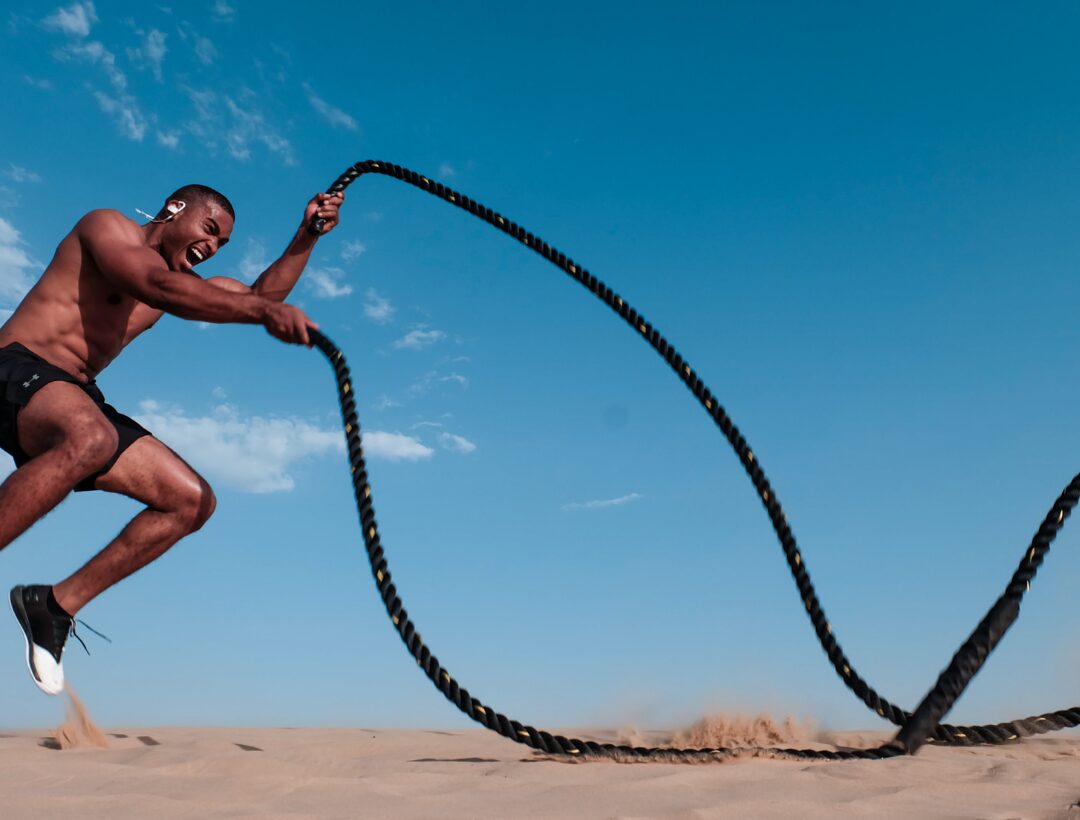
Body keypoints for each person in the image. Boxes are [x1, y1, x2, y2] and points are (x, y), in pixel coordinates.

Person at [1, 184, 344, 695]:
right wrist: (259, 314)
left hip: (75, 396)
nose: (213, 248)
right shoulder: (107, 225)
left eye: (223, 244)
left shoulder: (181, 280)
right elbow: (157, 288)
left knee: (191, 501)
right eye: (210, 231)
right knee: (91, 435)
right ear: (175, 210)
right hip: (17, 367)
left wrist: (306, 235)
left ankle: (53, 607)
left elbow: (258, 298)